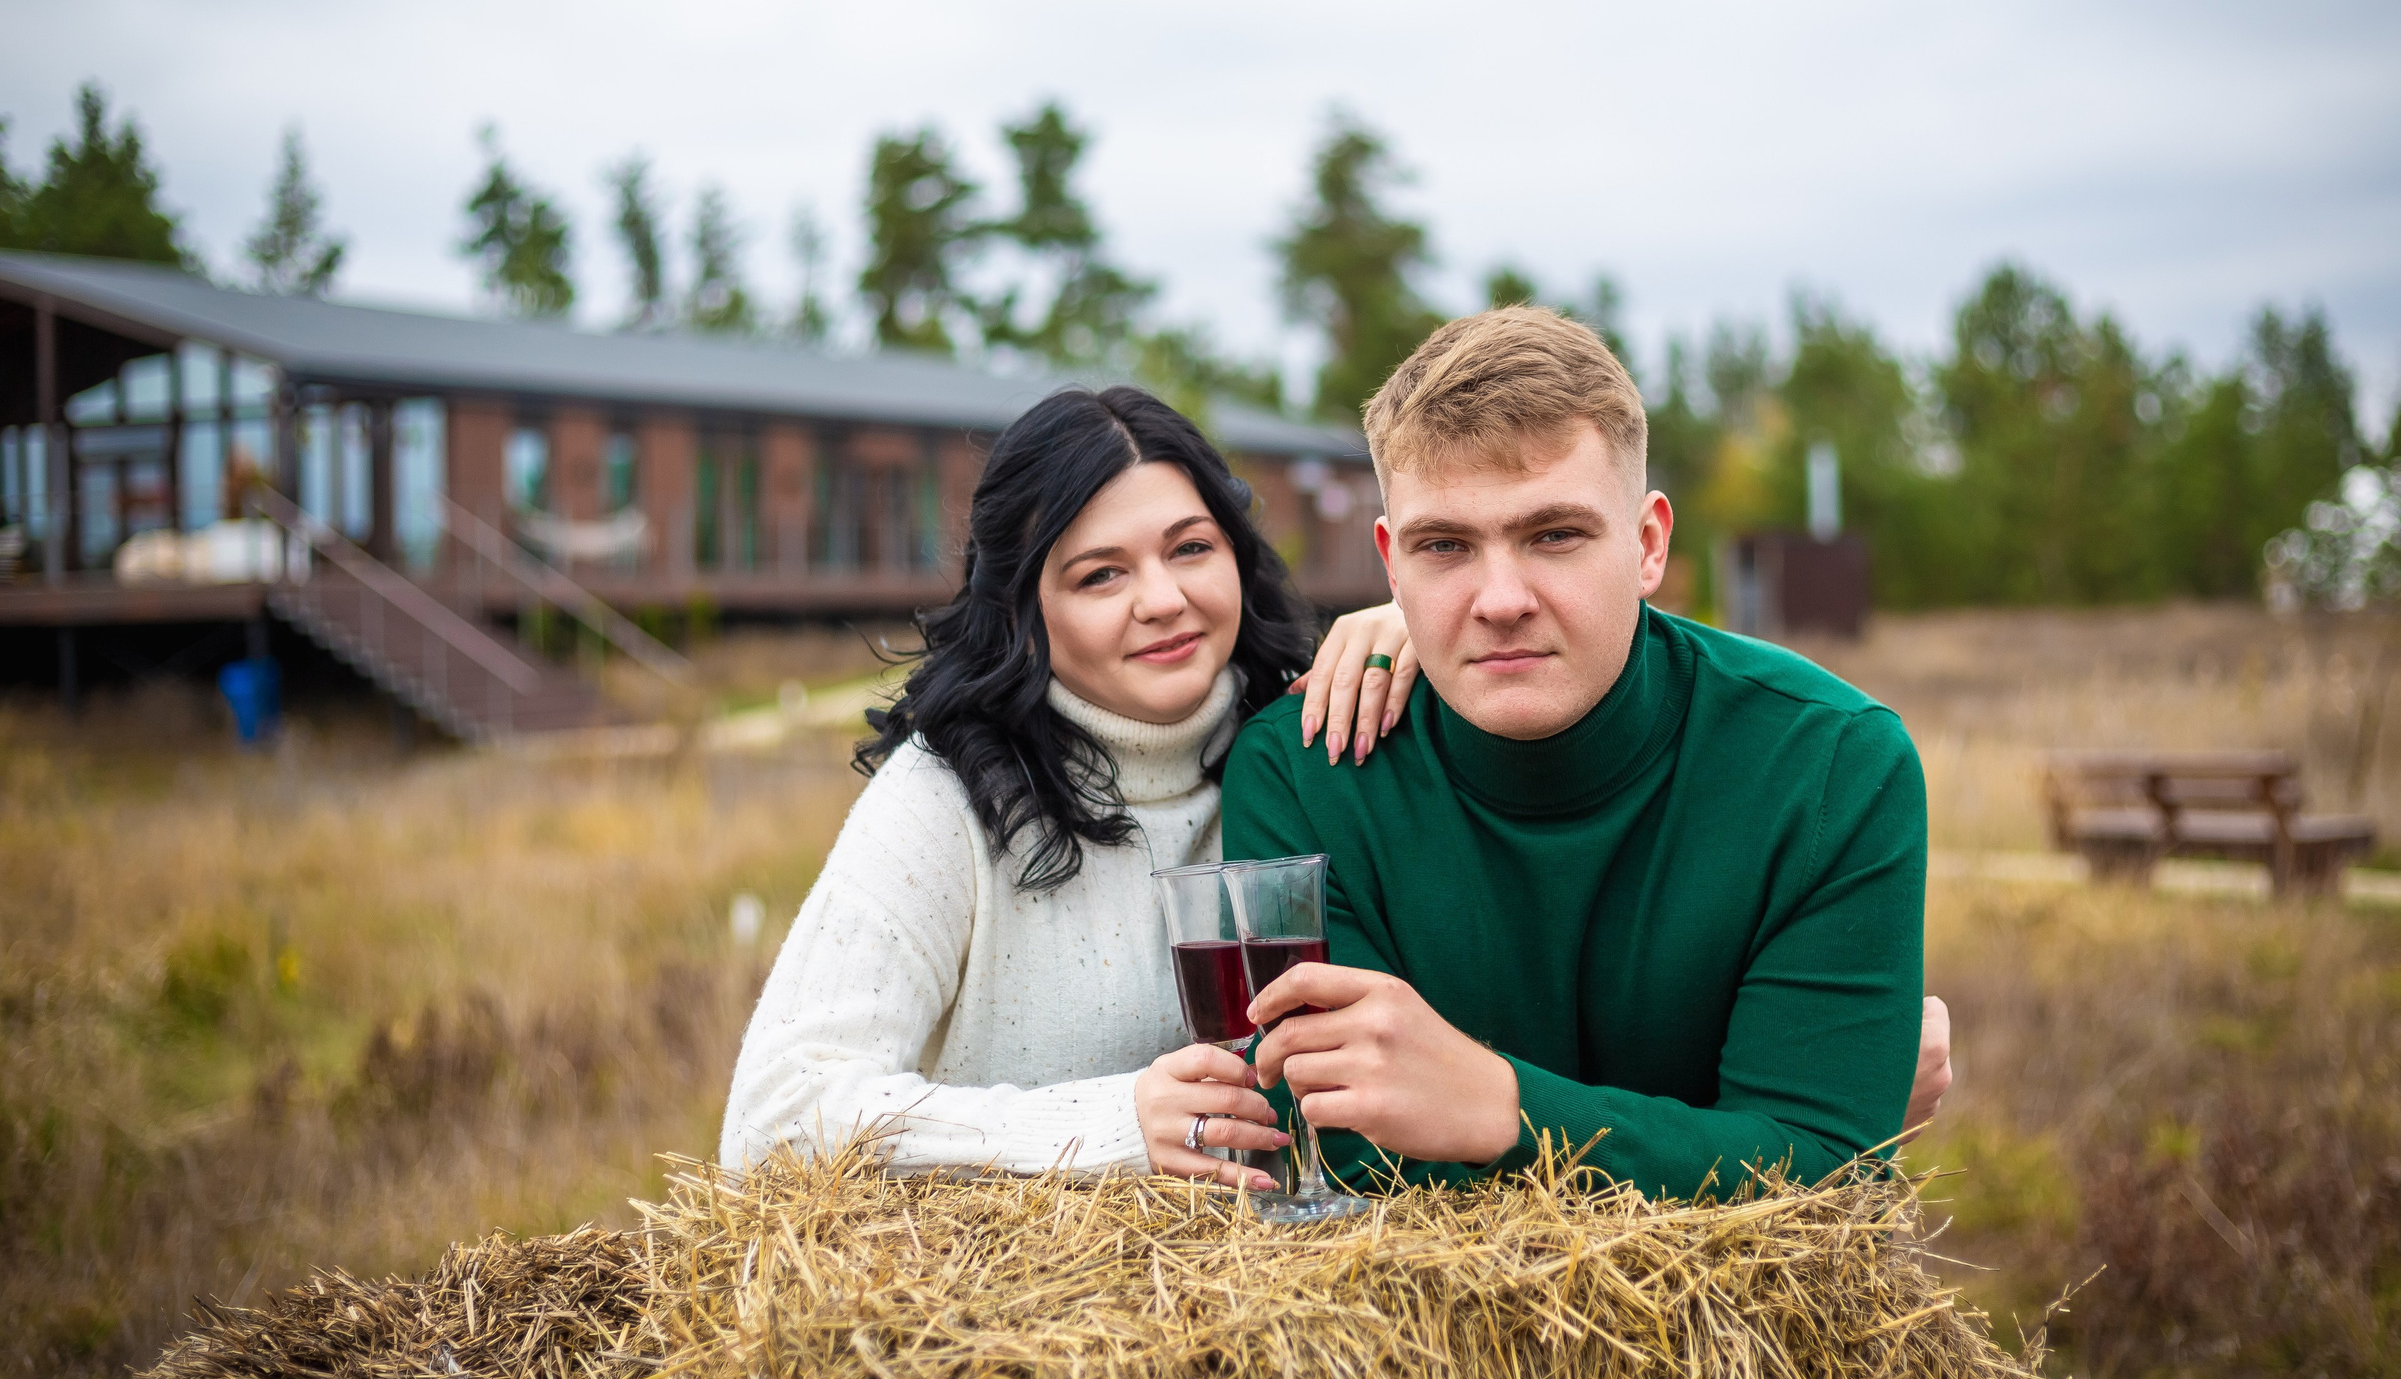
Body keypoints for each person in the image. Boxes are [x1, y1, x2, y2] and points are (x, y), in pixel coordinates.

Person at [1210, 306, 1943, 1199]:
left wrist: (1502, 1108)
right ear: (1390, 565)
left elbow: (1828, 1171)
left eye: (1554, 534)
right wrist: (1705, 1133)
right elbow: (1343, 1147)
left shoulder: (1830, 767)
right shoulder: (1302, 767)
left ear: (1647, 544)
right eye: (1445, 546)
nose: (1502, 597)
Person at [719, 385, 1417, 1187]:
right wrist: (1113, 1124)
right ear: (1024, 608)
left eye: (1191, 548)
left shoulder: (1312, 739)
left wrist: (1426, 631)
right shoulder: (945, 795)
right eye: (1099, 576)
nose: (1164, 600)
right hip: (1012, 1294)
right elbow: (769, 1123)